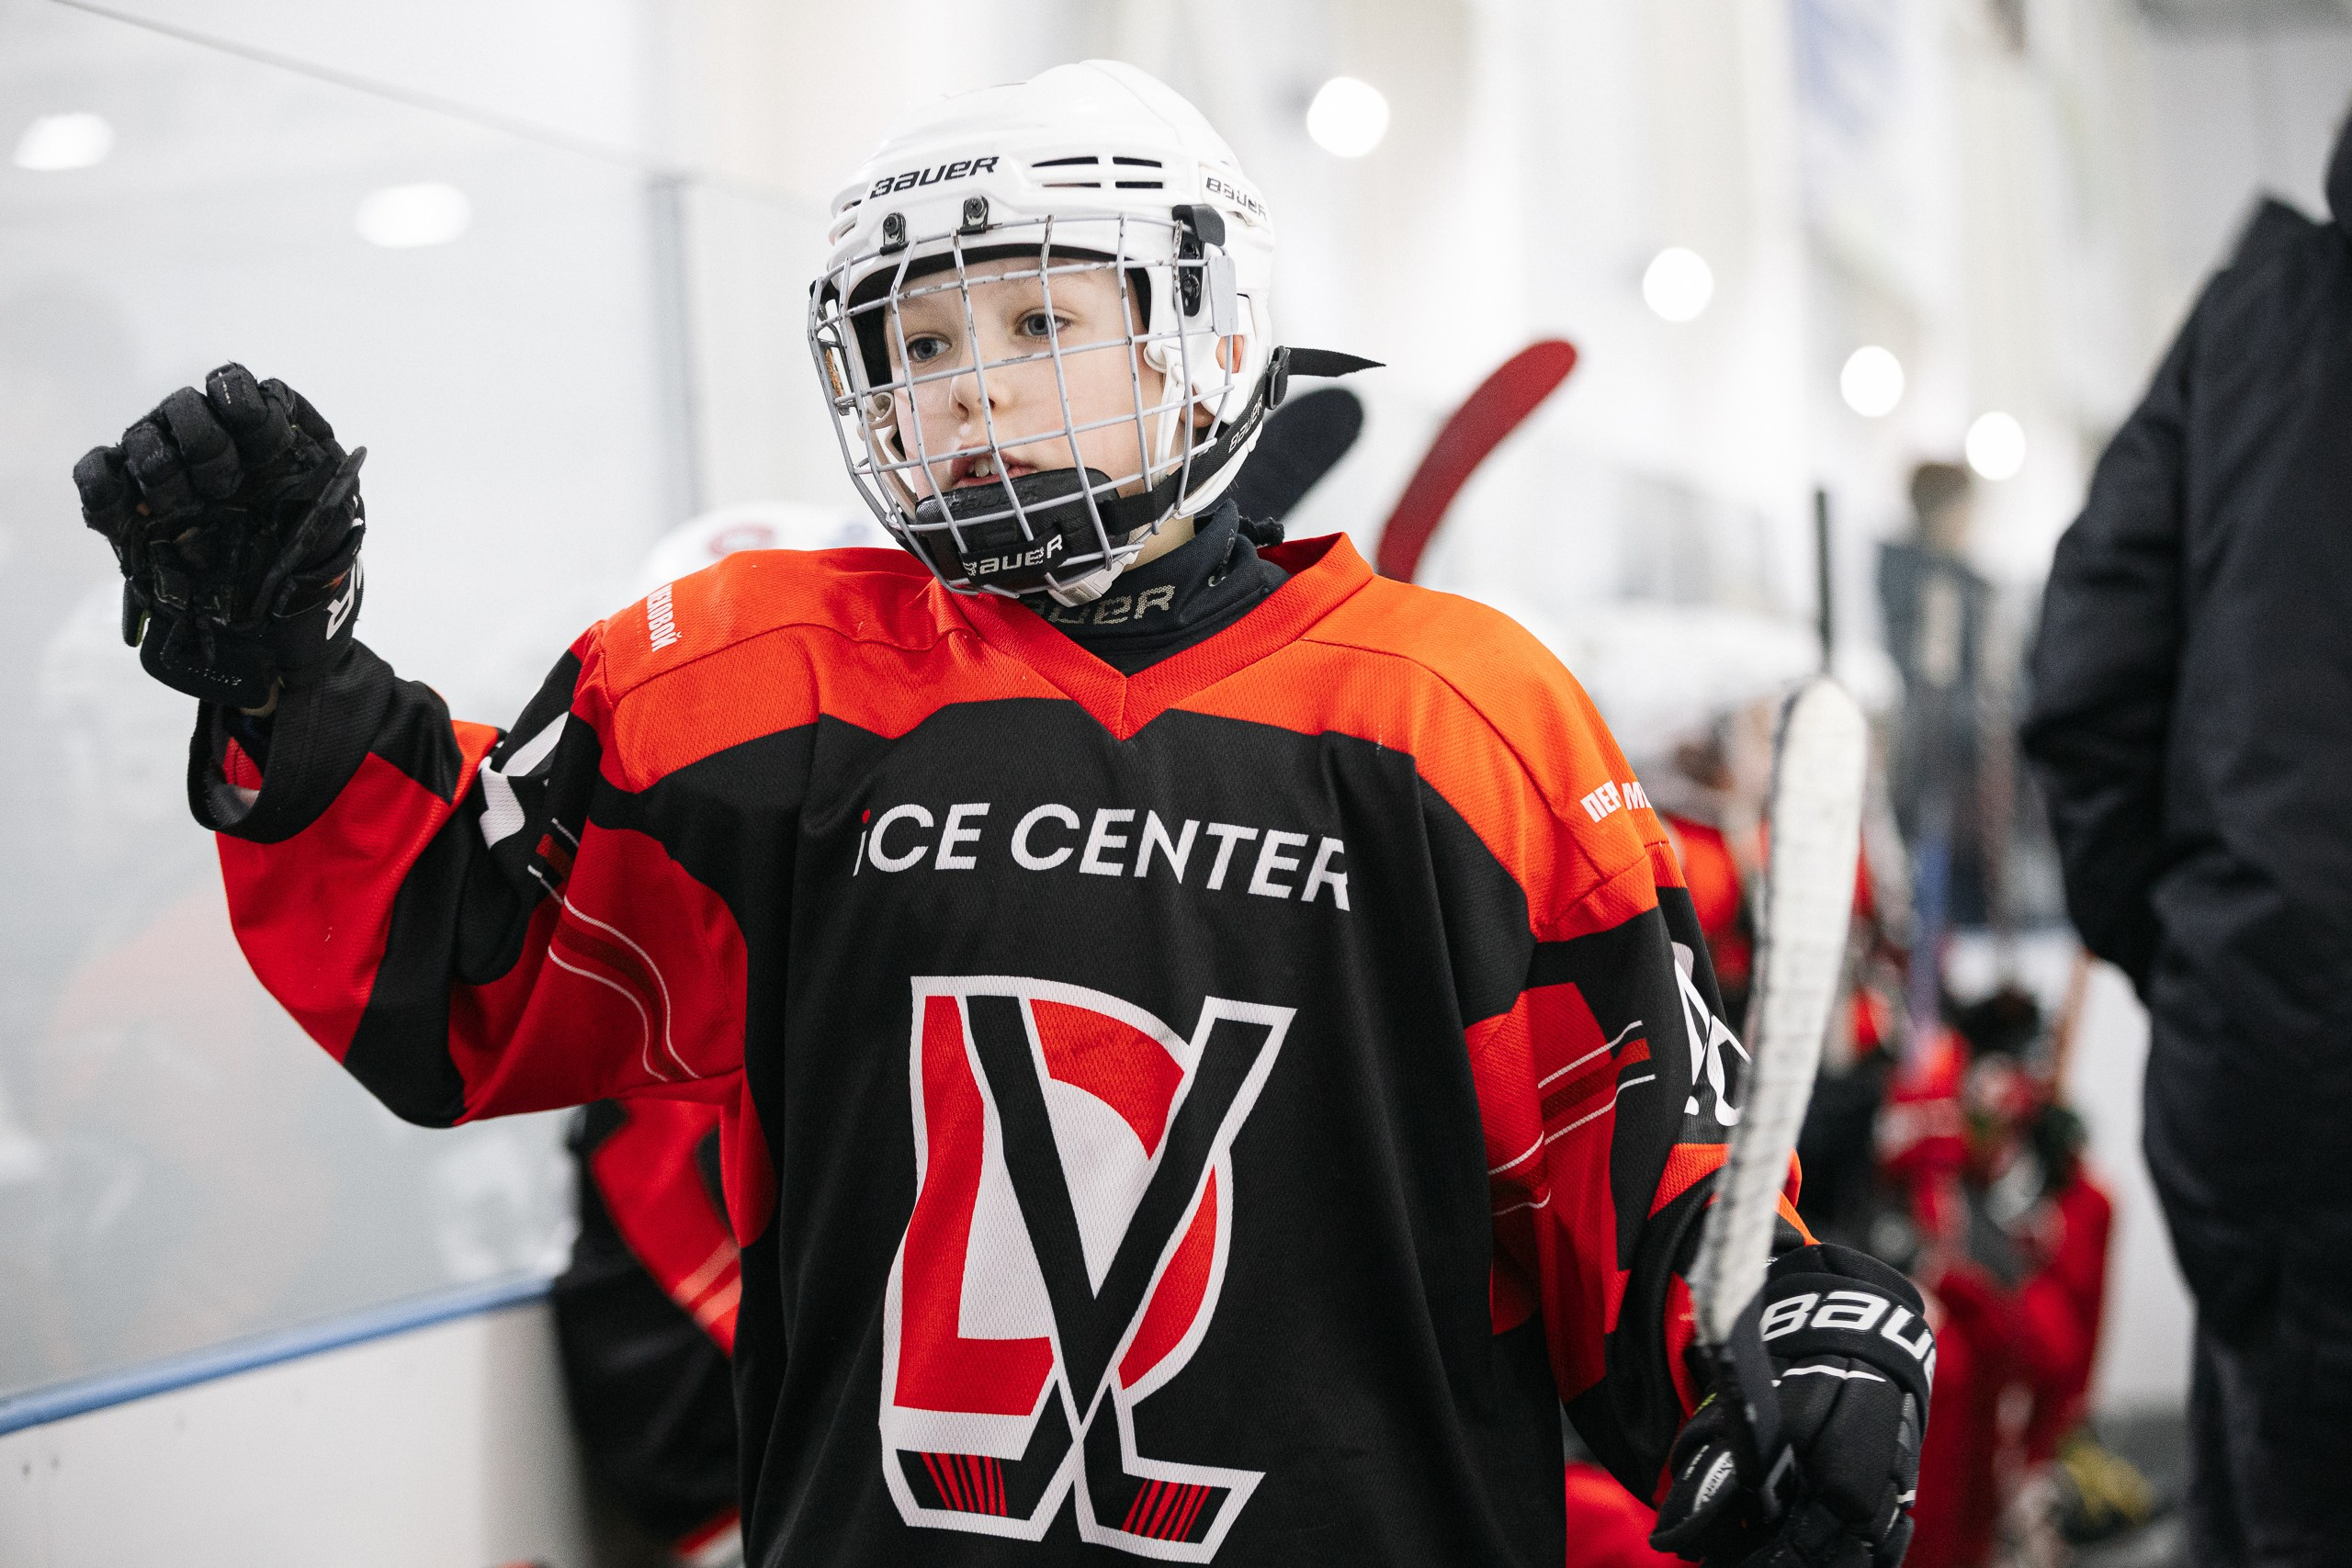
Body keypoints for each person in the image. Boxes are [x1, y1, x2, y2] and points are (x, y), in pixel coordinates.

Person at [71, 61, 1929, 1567]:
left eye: (1040, 318)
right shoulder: (757, 683)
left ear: (1202, 334)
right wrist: (291, 697)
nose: (972, 393)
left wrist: (1783, 1344)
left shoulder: (1453, 711)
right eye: (921, 345)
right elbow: (458, 977)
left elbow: (1626, 1181)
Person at [2021, 108, 2352, 1568]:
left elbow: (2091, 672)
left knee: (2282, 1486)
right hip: (2276, 1022)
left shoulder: (2262, 325)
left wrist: (2202, 949)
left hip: (2284, 1050)